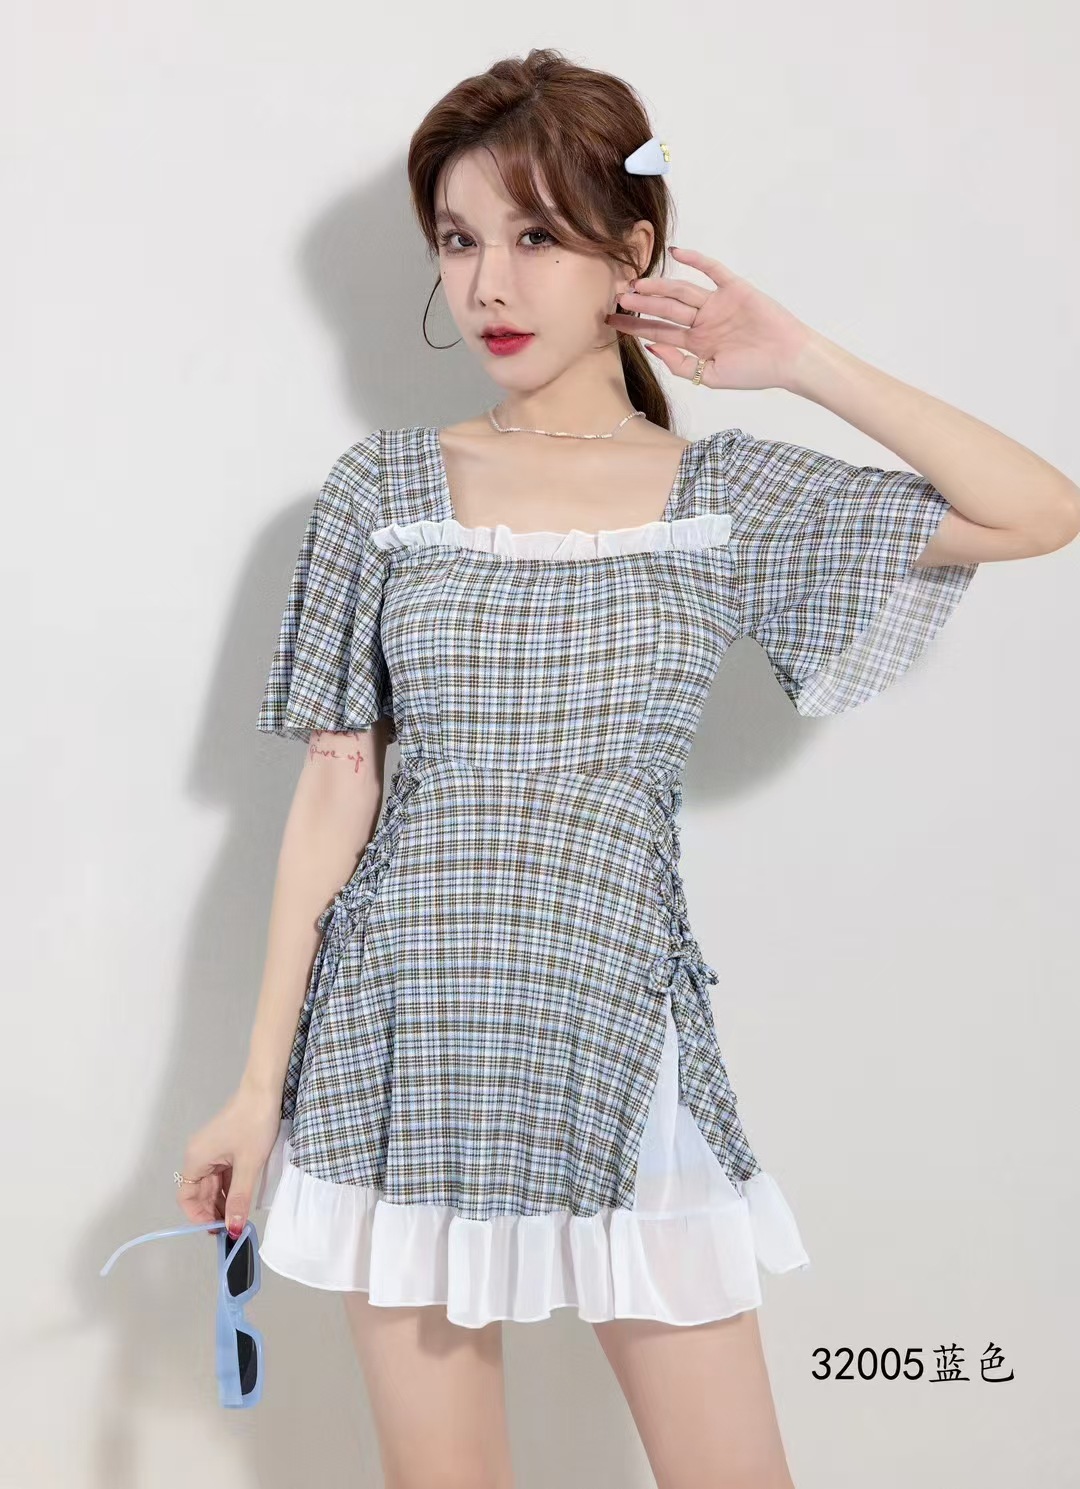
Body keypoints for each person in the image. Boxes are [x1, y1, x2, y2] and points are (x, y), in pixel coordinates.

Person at [176, 47, 1078, 1489]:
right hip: (397, 1040)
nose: (490, 284)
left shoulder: (718, 496)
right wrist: (252, 1090)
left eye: (537, 236)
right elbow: (335, 792)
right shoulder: (381, 491)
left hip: (620, 1031)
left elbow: (1037, 511)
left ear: (633, 251)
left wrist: (800, 361)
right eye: (460, 240)